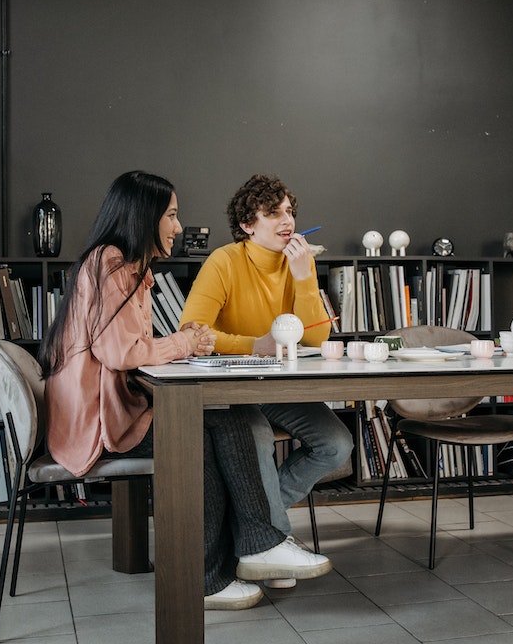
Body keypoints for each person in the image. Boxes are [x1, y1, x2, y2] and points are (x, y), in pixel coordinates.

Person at [40, 171, 331, 610]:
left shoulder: (128, 267)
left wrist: (184, 344)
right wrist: (186, 342)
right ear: (145, 215)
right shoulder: (110, 265)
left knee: (224, 420)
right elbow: (123, 352)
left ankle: (239, 556)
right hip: (98, 425)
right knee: (211, 428)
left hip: (117, 410)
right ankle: (235, 559)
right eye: (172, 215)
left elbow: (318, 336)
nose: (178, 227)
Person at [180, 174, 354, 587]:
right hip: (231, 388)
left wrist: (304, 275)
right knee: (256, 439)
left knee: (336, 444)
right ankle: (268, 544)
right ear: (247, 224)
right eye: (273, 212)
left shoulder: (301, 262)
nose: (286, 220)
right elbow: (193, 330)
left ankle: (256, 532)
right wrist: (252, 344)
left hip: (278, 388)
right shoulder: (224, 261)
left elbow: (316, 336)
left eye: (290, 211)